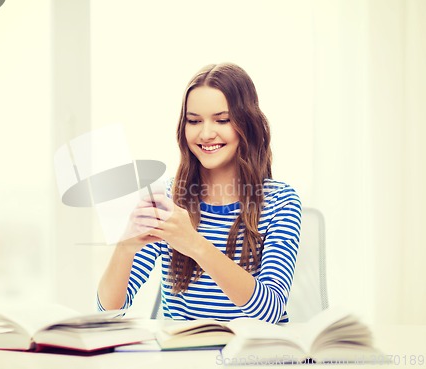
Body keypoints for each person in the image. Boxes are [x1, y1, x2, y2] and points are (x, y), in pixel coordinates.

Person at [97, 63, 301, 323]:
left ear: (247, 124)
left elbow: (270, 311)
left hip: (252, 358)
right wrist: (125, 248)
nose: (205, 133)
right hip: (184, 356)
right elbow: (109, 312)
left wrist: (194, 244)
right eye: (194, 121)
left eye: (222, 120)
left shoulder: (280, 202)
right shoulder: (169, 201)